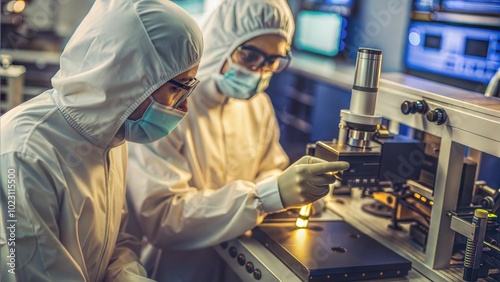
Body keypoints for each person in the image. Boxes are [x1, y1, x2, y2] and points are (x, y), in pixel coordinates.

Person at [126, 0, 349, 281]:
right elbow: (164, 219)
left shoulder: (259, 105)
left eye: (272, 61)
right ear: (222, 42)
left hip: (244, 259)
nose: (259, 71)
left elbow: (269, 168)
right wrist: (269, 195)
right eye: (250, 56)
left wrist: (291, 191)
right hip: (180, 268)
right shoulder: (171, 108)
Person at [0, 0, 203, 281]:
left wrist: (128, 276)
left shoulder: (110, 138)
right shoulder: (25, 153)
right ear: (131, 78)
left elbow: (117, 239)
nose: (183, 108)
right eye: (177, 88)